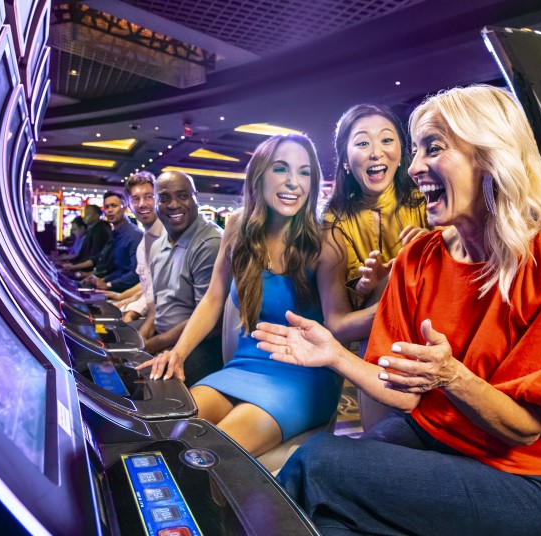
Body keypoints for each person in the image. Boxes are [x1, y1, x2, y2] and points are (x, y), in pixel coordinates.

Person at [252, 85, 541, 536]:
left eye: (433, 148)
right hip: (430, 435)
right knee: (329, 516)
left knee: (317, 462)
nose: (413, 167)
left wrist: (452, 376)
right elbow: (406, 394)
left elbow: (524, 429)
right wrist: (335, 354)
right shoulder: (419, 257)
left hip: (517, 479)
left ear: (490, 155)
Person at [140, 134, 374, 456]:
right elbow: (213, 299)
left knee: (208, 453)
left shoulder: (325, 241)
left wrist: (391, 303)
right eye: (281, 169)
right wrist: (178, 353)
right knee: (166, 433)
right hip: (243, 366)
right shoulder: (236, 227)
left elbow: (338, 324)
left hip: (302, 377)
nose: (294, 182)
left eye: (304, 172)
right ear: (259, 174)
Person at [325, 103, 428, 308]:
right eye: (363, 143)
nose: (376, 153)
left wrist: (434, 246)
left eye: (387, 140)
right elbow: (341, 311)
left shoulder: (427, 200)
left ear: (401, 152)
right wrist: (366, 286)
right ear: (345, 160)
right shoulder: (334, 220)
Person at [141, 171, 223, 386]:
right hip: (164, 336)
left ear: (196, 198)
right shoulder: (158, 244)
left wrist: (154, 345)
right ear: (156, 202)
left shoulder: (210, 243)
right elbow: (157, 305)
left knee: (149, 384)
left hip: (201, 344)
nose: (174, 205)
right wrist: (141, 338)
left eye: (183, 196)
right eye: (165, 198)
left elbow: (212, 320)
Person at [101, 172, 165, 324]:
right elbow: (147, 285)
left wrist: (131, 311)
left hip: (163, 319)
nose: (142, 204)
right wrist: (124, 298)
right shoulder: (144, 241)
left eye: (148, 196)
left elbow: (161, 294)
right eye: (136, 199)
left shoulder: (167, 236)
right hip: (148, 311)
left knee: (106, 328)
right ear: (129, 205)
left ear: (158, 199)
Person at [87, 191, 142, 292]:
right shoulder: (116, 233)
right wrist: (103, 280)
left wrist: (108, 284)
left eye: (114, 206)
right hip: (117, 288)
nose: (110, 210)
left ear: (125, 208)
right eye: (107, 207)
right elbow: (120, 270)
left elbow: (137, 273)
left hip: (130, 293)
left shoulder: (134, 235)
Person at [61, 204, 110, 274]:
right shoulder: (94, 229)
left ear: (97, 215)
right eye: (85, 214)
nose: (85, 217)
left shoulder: (100, 231)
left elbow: (93, 257)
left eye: (88, 214)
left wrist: (73, 266)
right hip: (86, 269)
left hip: (92, 272)